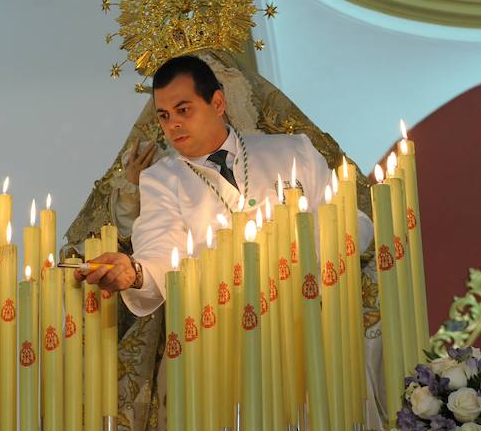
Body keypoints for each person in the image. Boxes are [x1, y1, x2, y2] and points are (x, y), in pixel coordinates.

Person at [76, 54, 374, 317]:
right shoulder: (162, 180)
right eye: (164, 116)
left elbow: (349, 221)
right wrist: (137, 272)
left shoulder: (292, 151)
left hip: (312, 311)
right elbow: (162, 250)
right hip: (226, 328)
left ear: (217, 103)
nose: (173, 124)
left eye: (184, 110)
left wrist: (302, 272)